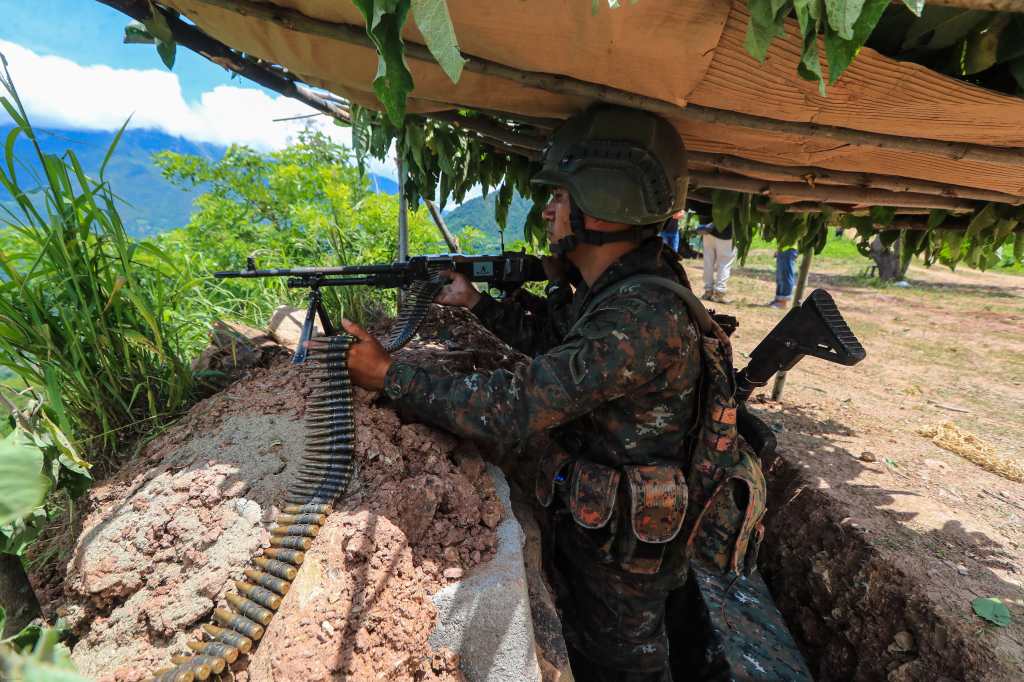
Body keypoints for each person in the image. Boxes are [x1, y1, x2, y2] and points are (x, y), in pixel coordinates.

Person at [342, 105, 704, 681]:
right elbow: (557, 342)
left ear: (602, 205)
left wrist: (389, 376)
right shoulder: (623, 285)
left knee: (621, 665)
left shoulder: (640, 315)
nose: (549, 209)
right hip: (610, 519)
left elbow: (513, 406)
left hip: (625, 551)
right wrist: (477, 303)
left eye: (560, 196)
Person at [696, 213, 735, 303]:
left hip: (708, 228)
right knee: (724, 262)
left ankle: (708, 291)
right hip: (725, 230)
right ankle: (719, 293)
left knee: (708, 261)